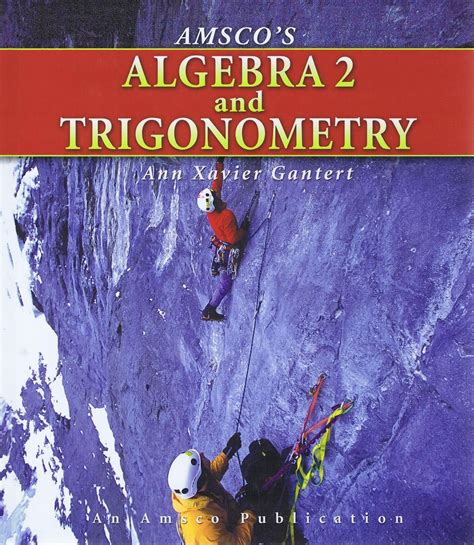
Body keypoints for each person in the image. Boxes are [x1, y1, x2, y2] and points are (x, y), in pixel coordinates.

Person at [168, 432, 256, 544]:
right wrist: (249, 512)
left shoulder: (194, 490)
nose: (202, 454)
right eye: (201, 459)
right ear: (202, 477)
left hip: (226, 523)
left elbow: (211, 473)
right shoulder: (205, 528)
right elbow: (237, 542)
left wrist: (227, 453)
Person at [197, 157, 250, 321]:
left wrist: (219, 164)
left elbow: (217, 183)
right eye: (214, 194)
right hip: (227, 248)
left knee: (221, 259)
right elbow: (234, 239)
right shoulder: (226, 216)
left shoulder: (211, 210)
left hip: (220, 243)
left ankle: (215, 266)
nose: (216, 192)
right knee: (225, 284)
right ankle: (209, 310)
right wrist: (244, 229)